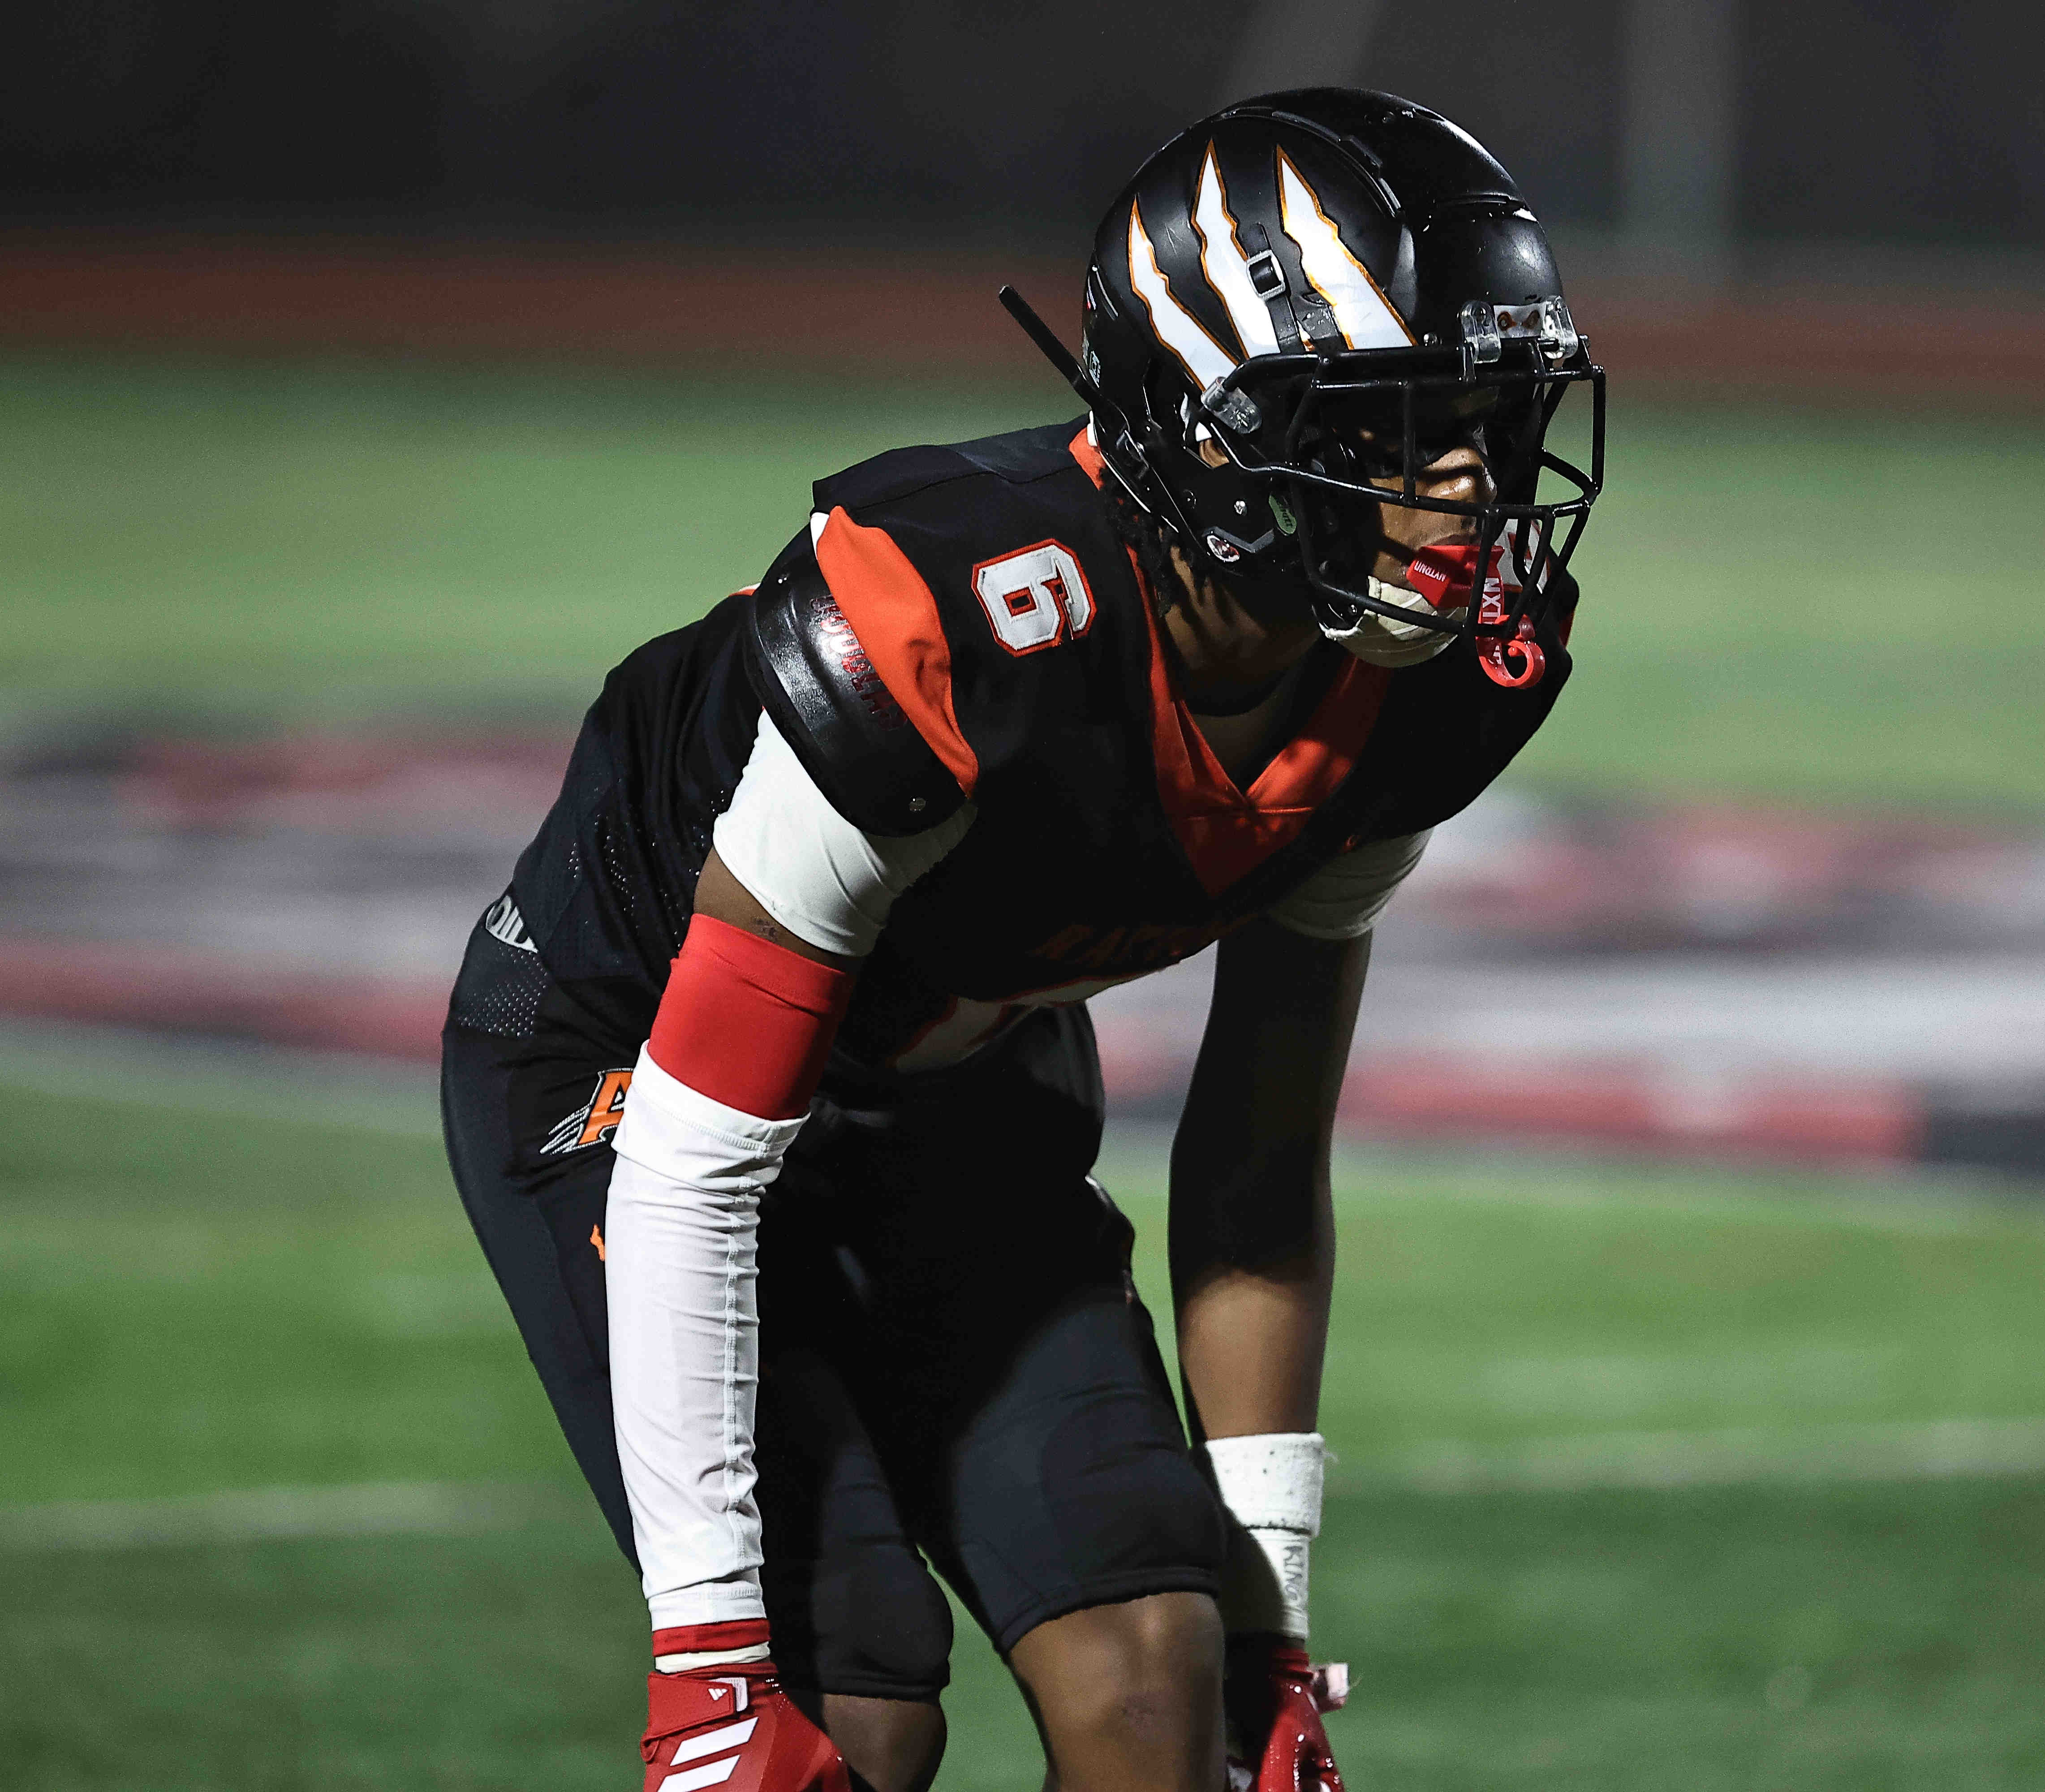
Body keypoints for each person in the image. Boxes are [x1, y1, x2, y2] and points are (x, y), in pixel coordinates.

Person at [441, 87, 1603, 1792]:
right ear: (1212, 431)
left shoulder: (1413, 699)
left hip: (946, 1082)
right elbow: (697, 1149)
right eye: (1395, 427)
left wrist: (1272, 1630)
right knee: (856, 1705)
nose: (1467, 493)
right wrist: (706, 1660)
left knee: (1159, 1673)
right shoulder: (949, 625)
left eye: (1489, 424)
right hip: (634, 1073)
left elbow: (1260, 1170)